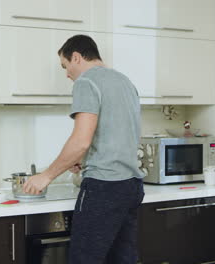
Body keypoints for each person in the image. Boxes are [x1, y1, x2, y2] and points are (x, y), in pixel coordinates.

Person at [22, 34, 145, 264]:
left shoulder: (86, 82)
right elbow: (123, 135)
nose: (67, 74)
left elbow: (81, 141)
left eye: (65, 66)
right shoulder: (125, 82)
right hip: (132, 186)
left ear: (77, 57)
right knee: (123, 259)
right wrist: (86, 157)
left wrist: (45, 176)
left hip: (104, 188)